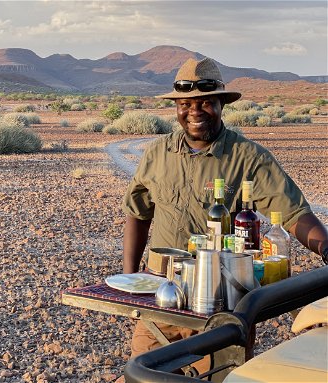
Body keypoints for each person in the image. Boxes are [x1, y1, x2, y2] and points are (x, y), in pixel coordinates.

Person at [121, 57, 328, 374]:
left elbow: (293, 212)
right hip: (161, 292)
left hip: (221, 298)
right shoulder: (156, 153)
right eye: (186, 104)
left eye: (206, 102)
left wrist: (325, 246)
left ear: (221, 104)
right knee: (145, 373)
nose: (195, 111)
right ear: (176, 108)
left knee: (218, 376)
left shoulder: (247, 157)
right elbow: (138, 214)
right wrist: (129, 278)